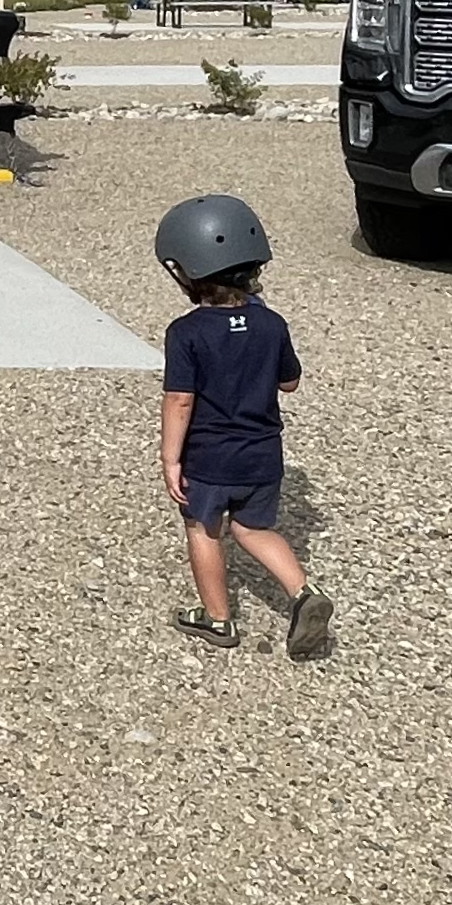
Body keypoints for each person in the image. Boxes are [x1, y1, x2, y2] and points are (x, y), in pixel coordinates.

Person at [154, 193, 334, 659]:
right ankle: (303, 593)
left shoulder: (186, 333)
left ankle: (217, 619)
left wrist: (170, 458)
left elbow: (179, 399)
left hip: (211, 459)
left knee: (204, 528)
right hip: (263, 455)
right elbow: (290, 382)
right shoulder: (272, 324)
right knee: (253, 529)